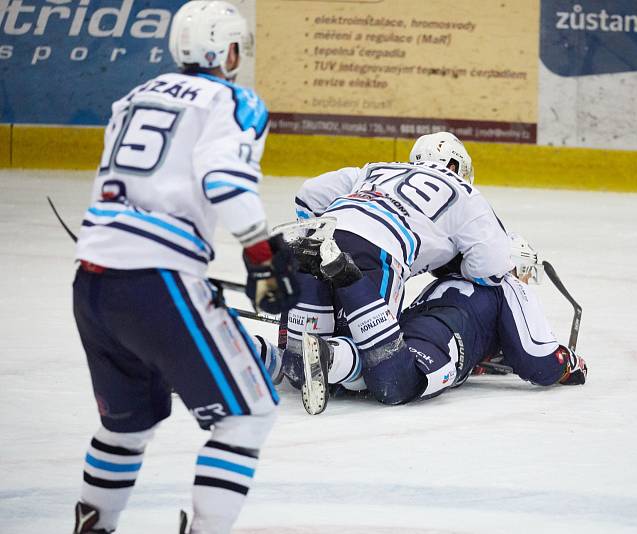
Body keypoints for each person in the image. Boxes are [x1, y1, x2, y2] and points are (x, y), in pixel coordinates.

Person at [70, 2, 298, 533]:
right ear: (228, 50)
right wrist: (261, 256)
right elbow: (224, 181)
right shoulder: (233, 99)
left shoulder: (131, 98)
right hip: (157, 283)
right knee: (248, 414)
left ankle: (92, 527)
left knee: (126, 427)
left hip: (91, 281)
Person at [284, 132, 513, 413]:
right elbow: (493, 266)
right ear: (455, 165)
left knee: (298, 368)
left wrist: (314, 230)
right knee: (374, 366)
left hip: (328, 233)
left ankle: (264, 349)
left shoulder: (376, 169)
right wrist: (456, 265)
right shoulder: (463, 192)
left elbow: (308, 195)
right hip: (378, 250)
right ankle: (333, 350)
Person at [299, 234, 588, 409]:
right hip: (438, 344)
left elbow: (485, 330)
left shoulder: (448, 280)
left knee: (373, 371)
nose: (525, 280)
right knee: (397, 383)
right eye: (524, 272)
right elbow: (535, 360)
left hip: (407, 330)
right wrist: (569, 364)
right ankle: (330, 356)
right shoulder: (507, 285)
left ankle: (320, 356)